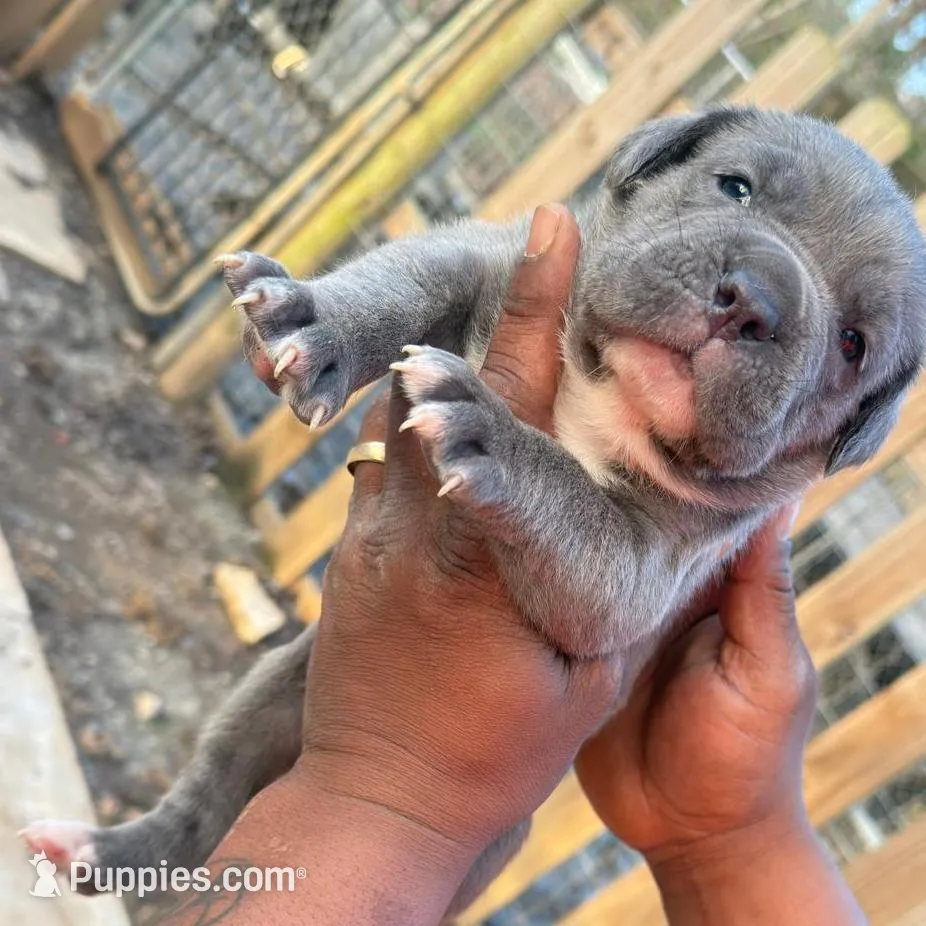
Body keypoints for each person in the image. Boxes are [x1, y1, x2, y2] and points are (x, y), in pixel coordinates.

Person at [162, 206, 867, 925]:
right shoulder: (591, 268)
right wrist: (339, 324)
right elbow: (455, 270)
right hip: (387, 700)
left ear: (853, 432)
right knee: (279, 693)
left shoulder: (712, 507)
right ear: (647, 166)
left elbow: (616, 592)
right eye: (736, 190)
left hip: (474, 784)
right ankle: (169, 835)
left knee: (487, 835)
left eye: (852, 343)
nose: (755, 297)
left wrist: (388, 795)